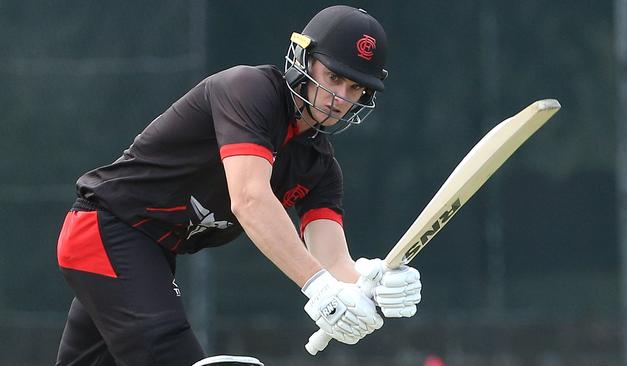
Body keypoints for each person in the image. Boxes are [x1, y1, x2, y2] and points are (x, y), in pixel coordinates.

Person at [55, 5, 422, 366]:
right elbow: (249, 199)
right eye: (333, 77)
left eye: (355, 86)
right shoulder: (251, 90)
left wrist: (370, 286)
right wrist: (319, 288)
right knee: (168, 348)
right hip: (106, 229)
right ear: (304, 61)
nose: (340, 96)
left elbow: (333, 261)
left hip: (149, 252)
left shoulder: (320, 168)